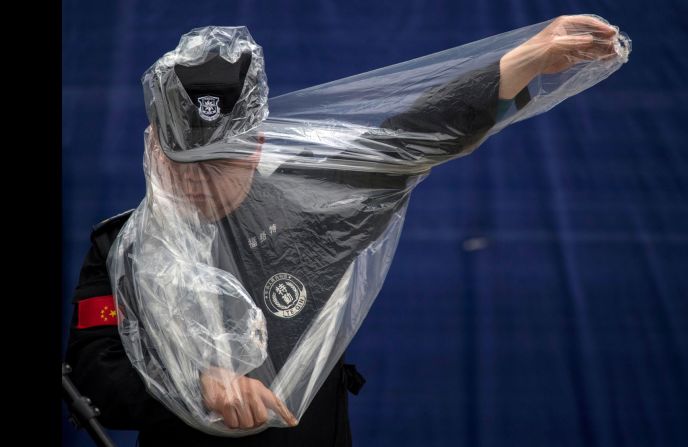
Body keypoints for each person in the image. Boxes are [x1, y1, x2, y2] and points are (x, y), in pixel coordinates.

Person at [65, 15, 619, 447]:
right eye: (187, 164)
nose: (202, 184)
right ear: (155, 148)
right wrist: (194, 386)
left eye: (222, 163)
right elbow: (95, 374)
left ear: (257, 147)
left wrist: (525, 59)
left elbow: (411, 137)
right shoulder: (121, 250)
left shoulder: (310, 207)